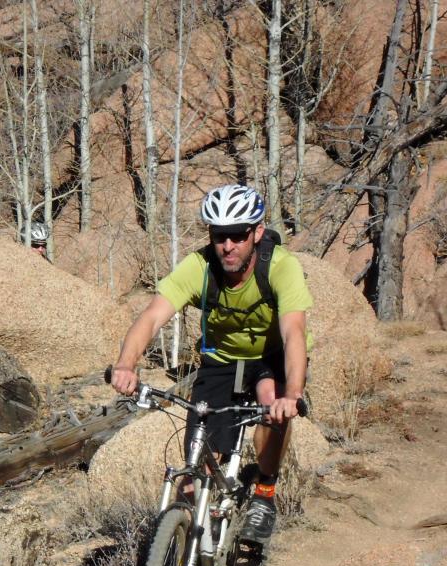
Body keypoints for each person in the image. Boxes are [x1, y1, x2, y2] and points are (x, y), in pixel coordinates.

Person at [110, 184, 313, 546]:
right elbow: (152, 317)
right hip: (221, 362)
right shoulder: (200, 267)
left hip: (271, 356)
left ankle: (264, 492)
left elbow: (294, 331)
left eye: (238, 235)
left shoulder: (282, 267)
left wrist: (292, 394)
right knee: (195, 470)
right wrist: (126, 365)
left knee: (272, 401)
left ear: (257, 233)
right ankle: (179, 565)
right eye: (220, 235)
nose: (228, 245)